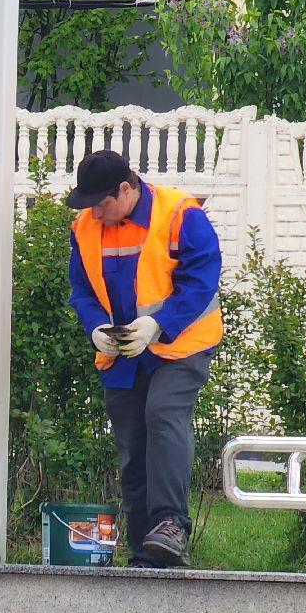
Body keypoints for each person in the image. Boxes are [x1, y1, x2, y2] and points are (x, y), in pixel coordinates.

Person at [66, 150, 222, 568]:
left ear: (126, 188)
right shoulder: (84, 226)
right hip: (122, 353)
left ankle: (171, 526)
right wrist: (96, 327)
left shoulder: (179, 213)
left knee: (162, 416)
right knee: (133, 447)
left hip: (180, 344)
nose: (95, 213)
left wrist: (160, 324)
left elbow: (203, 278)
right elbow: (81, 290)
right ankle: (146, 553)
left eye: (102, 203)